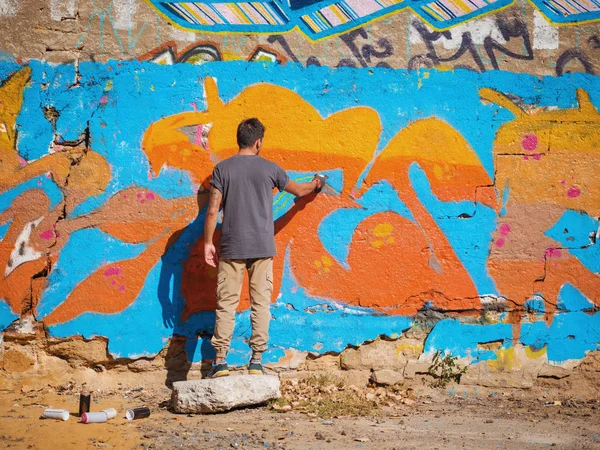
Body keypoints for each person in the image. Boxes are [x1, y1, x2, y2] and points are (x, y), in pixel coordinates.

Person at [204, 118, 324, 377]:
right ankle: (256, 361)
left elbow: (213, 210)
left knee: (226, 304)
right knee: (260, 304)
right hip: (261, 247)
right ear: (258, 142)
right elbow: (300, 191)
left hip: (231, 247)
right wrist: (316, 184)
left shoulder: (222, 169)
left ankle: (221, 361)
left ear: (239, 140)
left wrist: (207, 244)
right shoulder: (270, 168)